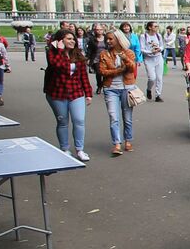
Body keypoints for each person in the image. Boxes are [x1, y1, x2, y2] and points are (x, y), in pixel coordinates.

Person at [43, 28, 94, 160]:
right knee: (63, 122)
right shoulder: (52, 53)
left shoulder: (78, 55)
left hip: (76, 92)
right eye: (69, 39)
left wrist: (88, 93)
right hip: (57, 93)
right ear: (60, 41)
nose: (72, 41)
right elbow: (58, 66)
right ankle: (64, 148)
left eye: (73, 39)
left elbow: (84, 76)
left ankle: (80, 149)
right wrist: (59, 50)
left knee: (79, 121)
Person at [98, 29, 138, 157]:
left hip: (127, 87)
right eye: (107, 39)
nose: (108, 41)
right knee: (113, 117)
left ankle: (128, 140)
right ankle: (116, 144)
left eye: (111, 39)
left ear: (118, 40)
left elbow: (132, 68)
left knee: (127, 118)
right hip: (110, 88)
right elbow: (102, 71)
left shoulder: (128, 52)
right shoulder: (104, 54)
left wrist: (125, 58)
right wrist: (119, 71)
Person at [140, 20, 166, 102]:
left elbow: (162, 45)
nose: (156, 28)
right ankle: (149, 89)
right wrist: (150, 52)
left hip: (158, 58)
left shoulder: (158, 35)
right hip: (149, 59)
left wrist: (160, 49)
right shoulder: (143, 36)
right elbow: (142, 49)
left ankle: (158, 95)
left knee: (159, 78)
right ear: (149, 27)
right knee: (152, 78)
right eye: (155, 26)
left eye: (157, 26)